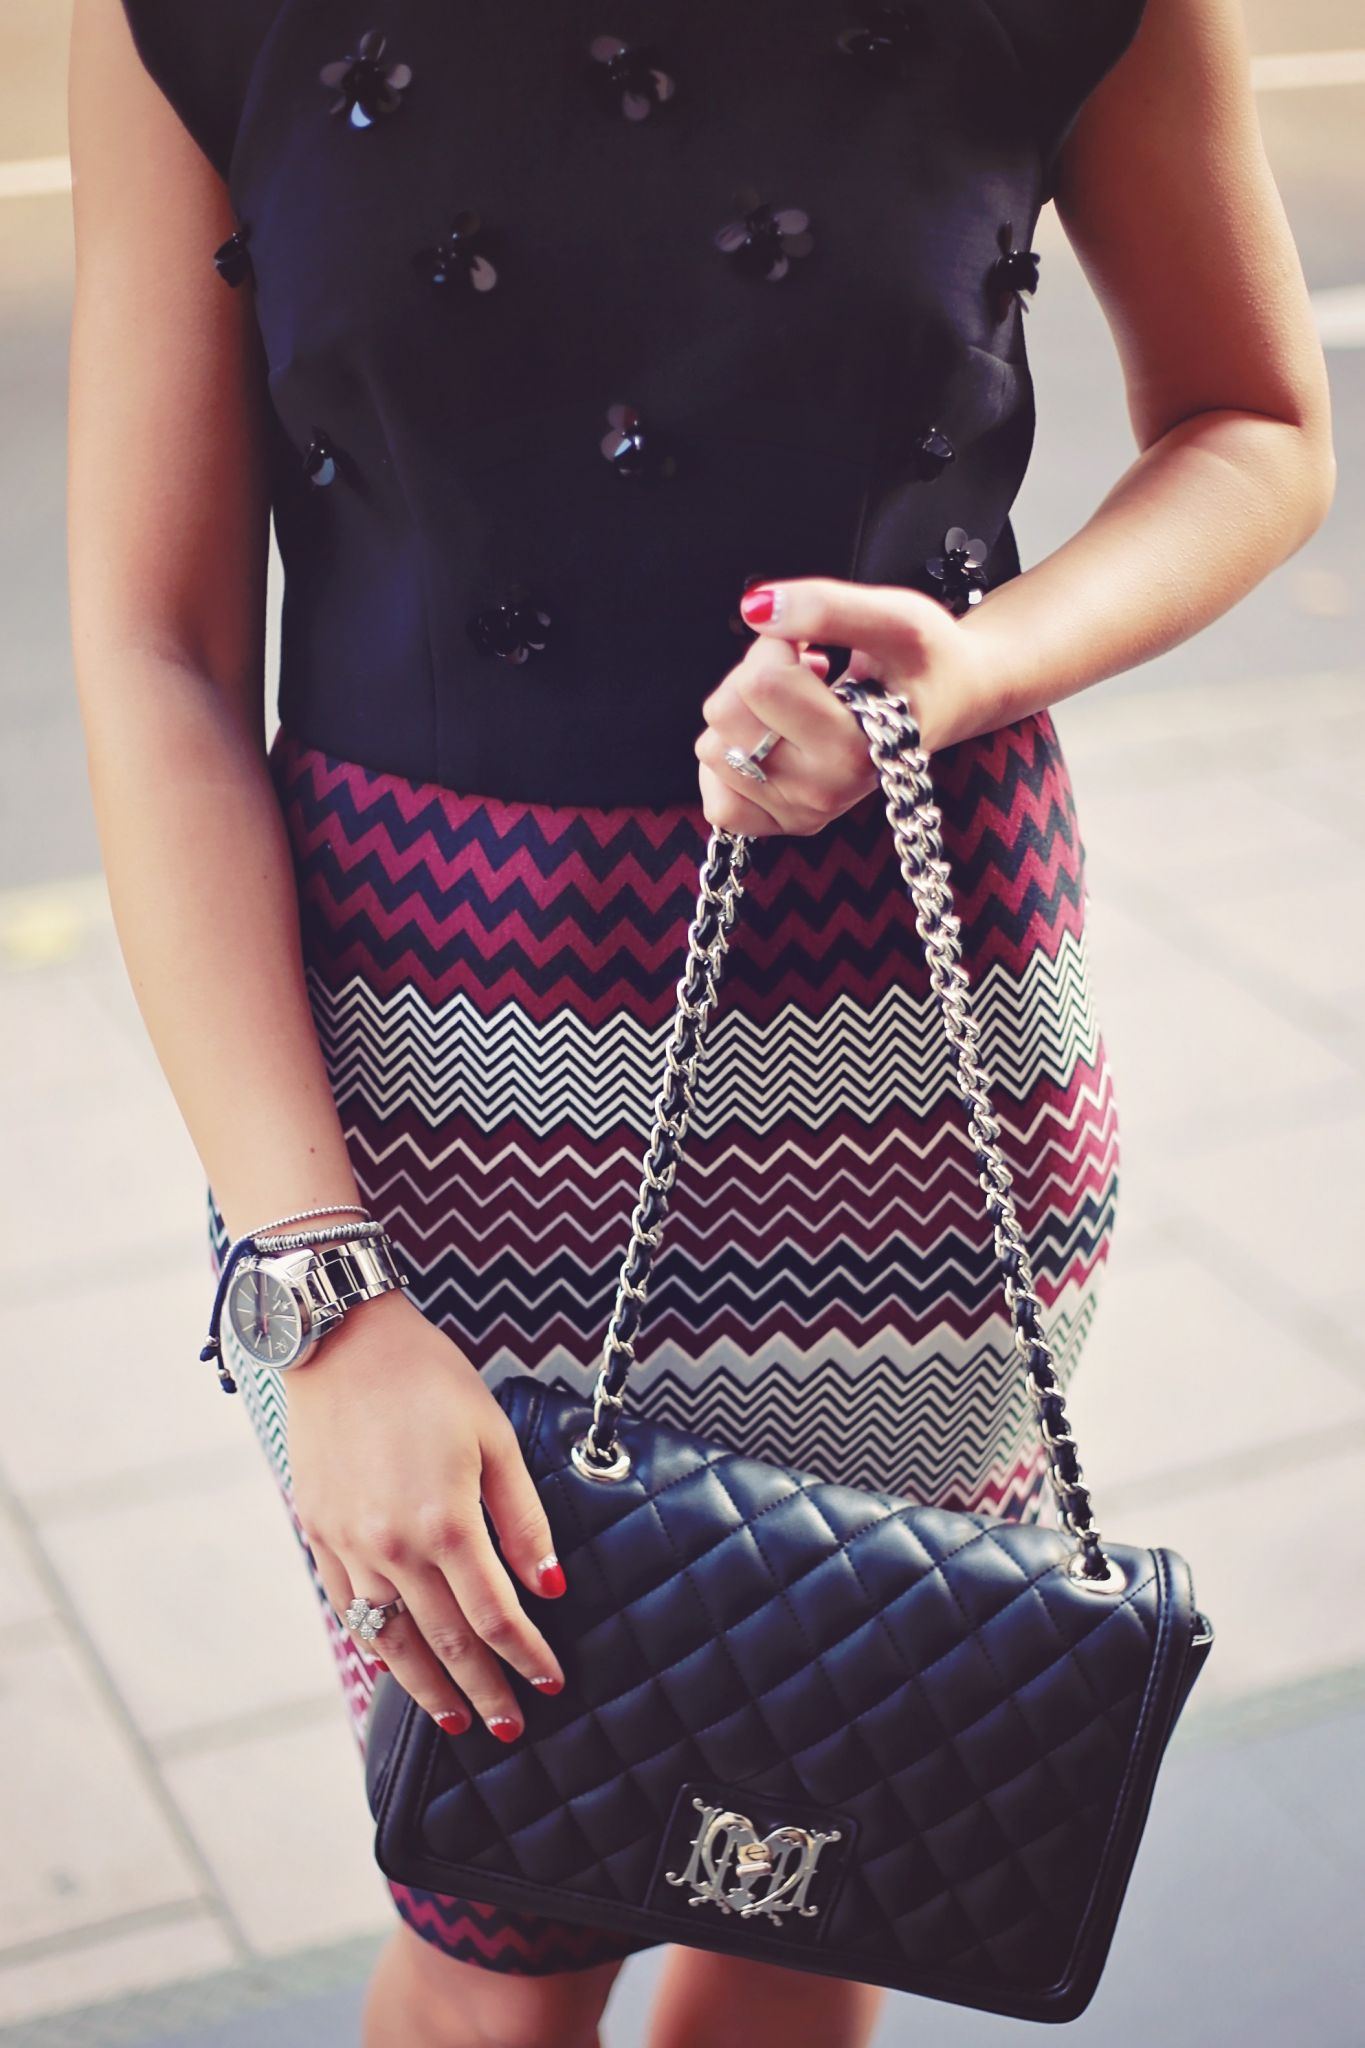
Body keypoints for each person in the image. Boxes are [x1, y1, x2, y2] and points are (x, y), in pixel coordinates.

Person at [66, 0, 1333, 2040]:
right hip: (418, 1124)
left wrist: (969, 664)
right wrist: (320, 1287)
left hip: (916, 1104)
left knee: (822, 1884)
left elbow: (1254, 422)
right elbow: (157, 651)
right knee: (499, 1934)